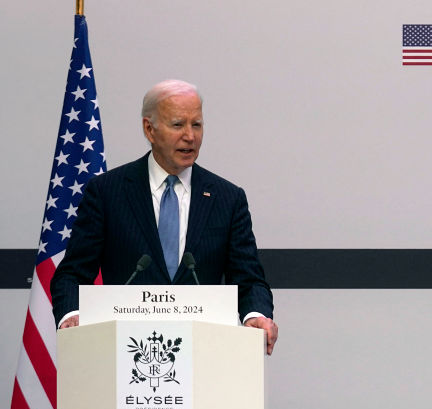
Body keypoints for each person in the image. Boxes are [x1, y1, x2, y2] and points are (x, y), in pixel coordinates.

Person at [50, 79, 279, 354]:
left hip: (205, 353)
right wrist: (71, 316)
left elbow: (250, 279)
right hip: (123, 353)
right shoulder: (107, 192)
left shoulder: (227, 198)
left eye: (197, 124)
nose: (190, 136)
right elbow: (72, 274)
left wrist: (255, 314)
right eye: (178, 125)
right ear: (150, 129)